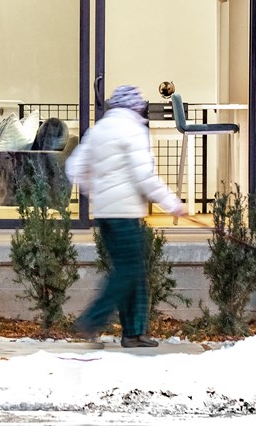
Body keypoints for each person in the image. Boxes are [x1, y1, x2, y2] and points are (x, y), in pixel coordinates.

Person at [66, 84, 186, 348]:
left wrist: (96, 190)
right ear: (136, 107)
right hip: (125, 212)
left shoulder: (98, 130)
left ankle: (134, 333)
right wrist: (173, 204)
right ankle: (93, 319)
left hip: (105, 213)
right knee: (129, 270)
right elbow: (145, 177)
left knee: (132, 271)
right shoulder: (133, 130)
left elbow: (74, 168)